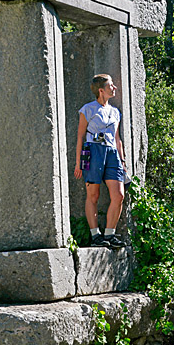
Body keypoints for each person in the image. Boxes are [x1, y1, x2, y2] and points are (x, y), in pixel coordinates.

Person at [74, 74, 127, 248]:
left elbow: (117, 138)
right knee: (93, 195)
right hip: (92, 151)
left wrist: (122, 160)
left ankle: (110, 234)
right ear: (101, 90)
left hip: (112, 152)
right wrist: (78, 163)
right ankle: (96, 236)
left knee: (119, 195)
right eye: (111, 85)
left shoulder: (115, 112)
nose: (115, 88)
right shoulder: (88, 109)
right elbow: (80, 137)